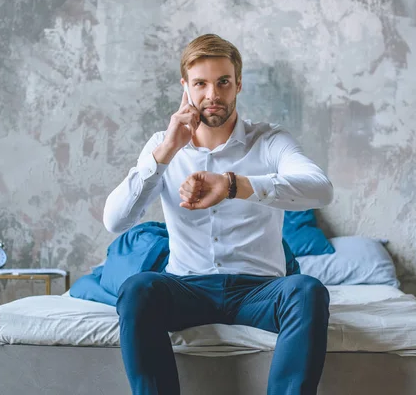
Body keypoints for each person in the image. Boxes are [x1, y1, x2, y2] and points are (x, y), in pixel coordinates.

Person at [103, 33, 334, 395]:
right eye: (201, 83)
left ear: (238, 84)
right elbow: (114, 221)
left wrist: (232, 185)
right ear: (186, 87)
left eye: (223, 82)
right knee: (137, 289)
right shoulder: (163, 146)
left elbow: (321, 189)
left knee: (307, 291)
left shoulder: (270, 141)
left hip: (260, 290)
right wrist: (166, 151)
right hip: (187, 288)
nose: (213, 94)